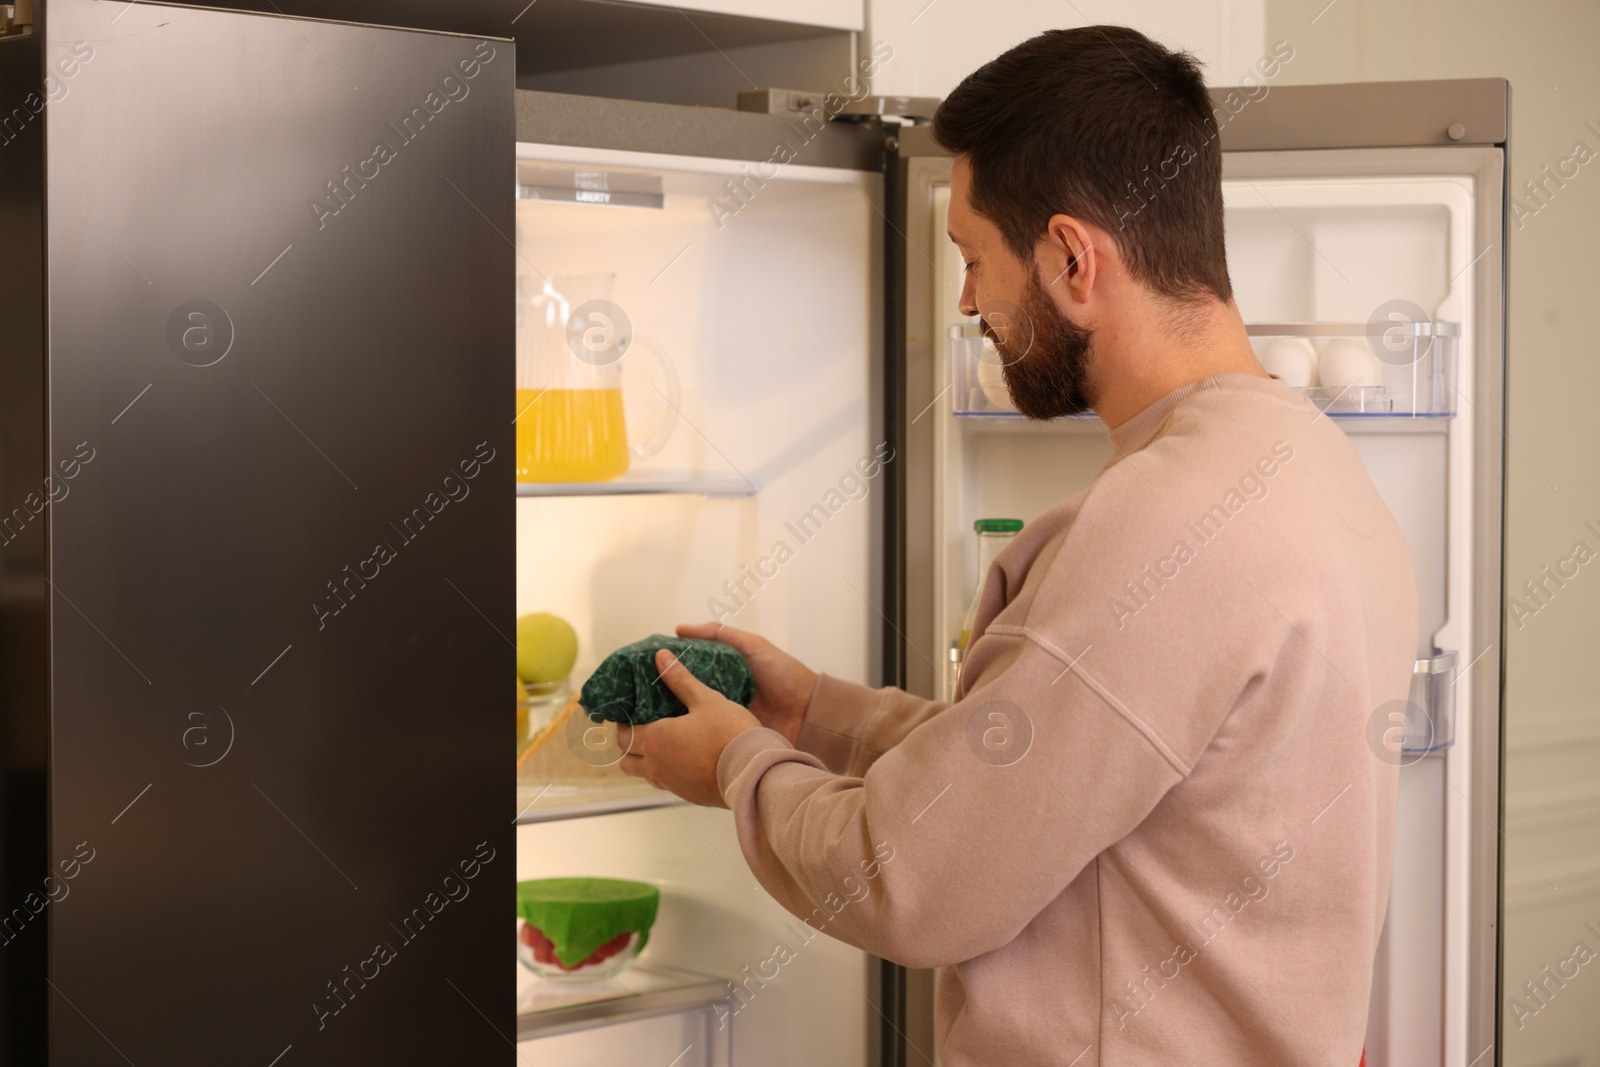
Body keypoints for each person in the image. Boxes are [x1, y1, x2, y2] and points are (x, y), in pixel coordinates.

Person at [617, 25, 1416, 1066]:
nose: (966, 304)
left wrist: (735, 764)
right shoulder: (1314, 465)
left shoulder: (1170, 520)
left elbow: (911, 878)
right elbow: (1053, 785)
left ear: (1071, 256)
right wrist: (818, 714)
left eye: (972, 259)